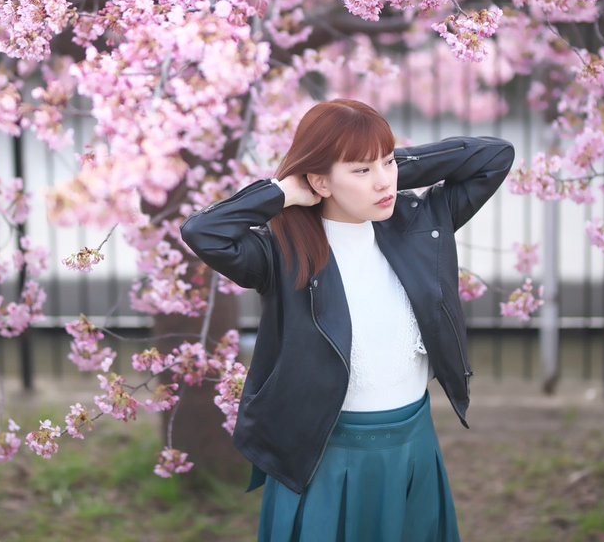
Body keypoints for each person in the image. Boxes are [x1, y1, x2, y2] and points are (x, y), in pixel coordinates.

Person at [180, 99, 515, 542]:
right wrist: (281, 192)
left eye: (389, 162)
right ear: (317, 179)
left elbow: (496, 156)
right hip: (325, 455)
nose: (383, 181)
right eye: (361, 170)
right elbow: (203, 231)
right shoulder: (281, 252)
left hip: (413, 443)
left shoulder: (419, 221)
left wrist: (381, 164)